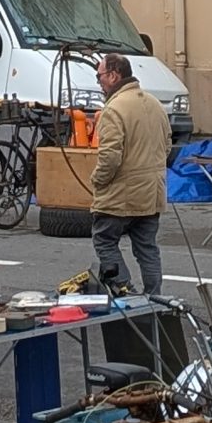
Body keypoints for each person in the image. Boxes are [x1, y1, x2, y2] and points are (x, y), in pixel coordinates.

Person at [89, 52, 169, 296]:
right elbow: (166, 146)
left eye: (100, 76)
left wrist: (98, 180)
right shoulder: (155, 104)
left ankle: (126, 292)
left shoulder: (114, 109)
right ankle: (155, 297)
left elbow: (110, 157)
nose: (99, 82)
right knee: (147, 248)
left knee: (104, 241)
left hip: (122, 195)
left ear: (114, 76)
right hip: (152, 193)